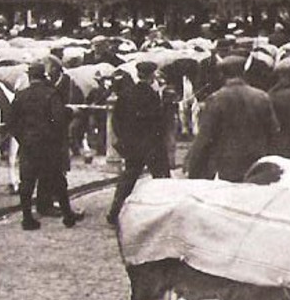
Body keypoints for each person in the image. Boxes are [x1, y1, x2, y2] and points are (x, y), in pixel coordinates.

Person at [6, 61, 82, 229]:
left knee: (27, 182)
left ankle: (27, 218)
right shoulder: (51, 94)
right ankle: (67, 215)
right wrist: (70, 113)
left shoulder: (20, 96)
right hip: (49, 145)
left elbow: (11, 122)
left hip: (28, 145)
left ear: (29, 76)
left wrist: (22, 138)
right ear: (43, 76)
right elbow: (59, 118)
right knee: (58, 180)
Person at [185, 55, 279, 181]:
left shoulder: (216, 99)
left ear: (221, 74)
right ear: (244, 72)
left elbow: (205, 136)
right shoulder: (261, 96)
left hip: (225, 162)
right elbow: (273, 130)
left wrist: (194, 166)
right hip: (256, 160)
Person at [105, 61, 175, 225]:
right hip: (152, 145)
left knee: (127, 180)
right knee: (162, 180)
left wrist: (124, 138)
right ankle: (167, 213)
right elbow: (158, 121)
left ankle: (114, 213)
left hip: (133, 145)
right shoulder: (152, 95)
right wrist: (166, 107)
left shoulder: (126, 93)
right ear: (151, 76)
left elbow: (116, 119)